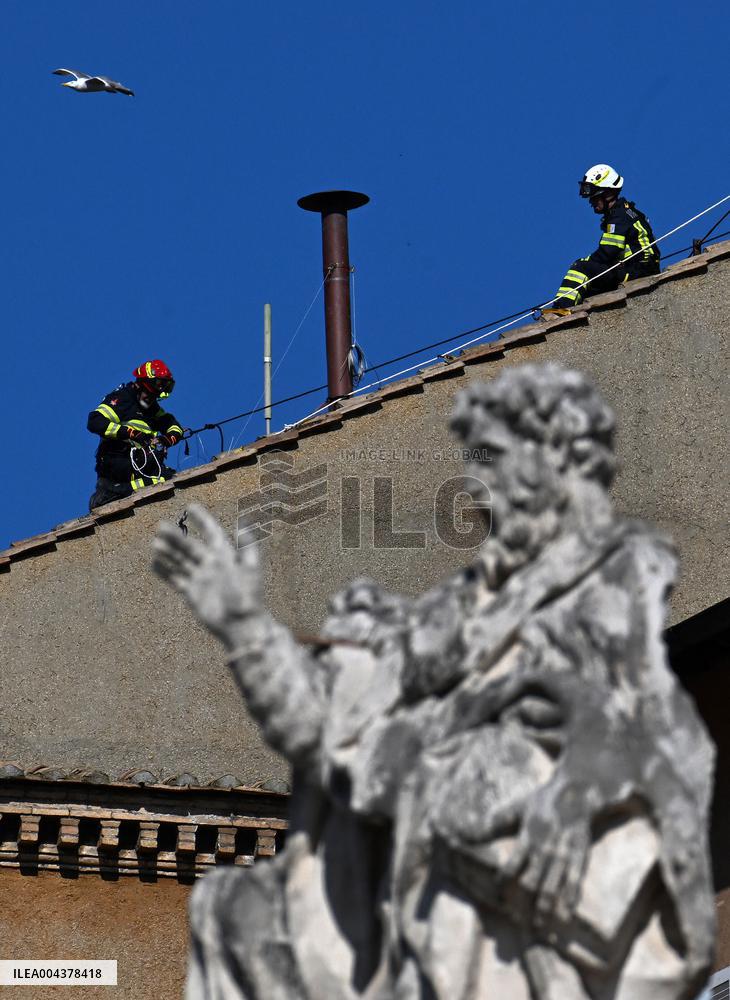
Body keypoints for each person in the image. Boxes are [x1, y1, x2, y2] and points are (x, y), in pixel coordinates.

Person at [542, 164, 661, 318]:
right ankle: (570, 311)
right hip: (635, 270)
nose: (591, 202)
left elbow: (608, 252)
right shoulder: (624, 212)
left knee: (581, 268)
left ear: (608, 193)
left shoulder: (619, 216)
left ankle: (561, 309)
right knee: (589, 287)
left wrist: (584, 262)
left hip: (638, 272)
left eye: (595, 197)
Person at [87, 359, 183, 510]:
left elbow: (175, 427)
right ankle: (109, 493)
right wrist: (130, 433)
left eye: (166, 386)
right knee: (157, 478)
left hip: (141, 467)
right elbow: (95, 421)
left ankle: (136, 487)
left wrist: (166, 440)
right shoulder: (122, 398)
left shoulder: (153, 409)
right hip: (118, 463)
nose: (161, 390)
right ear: (145, 383)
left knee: (165, 477)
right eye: (159, 384)